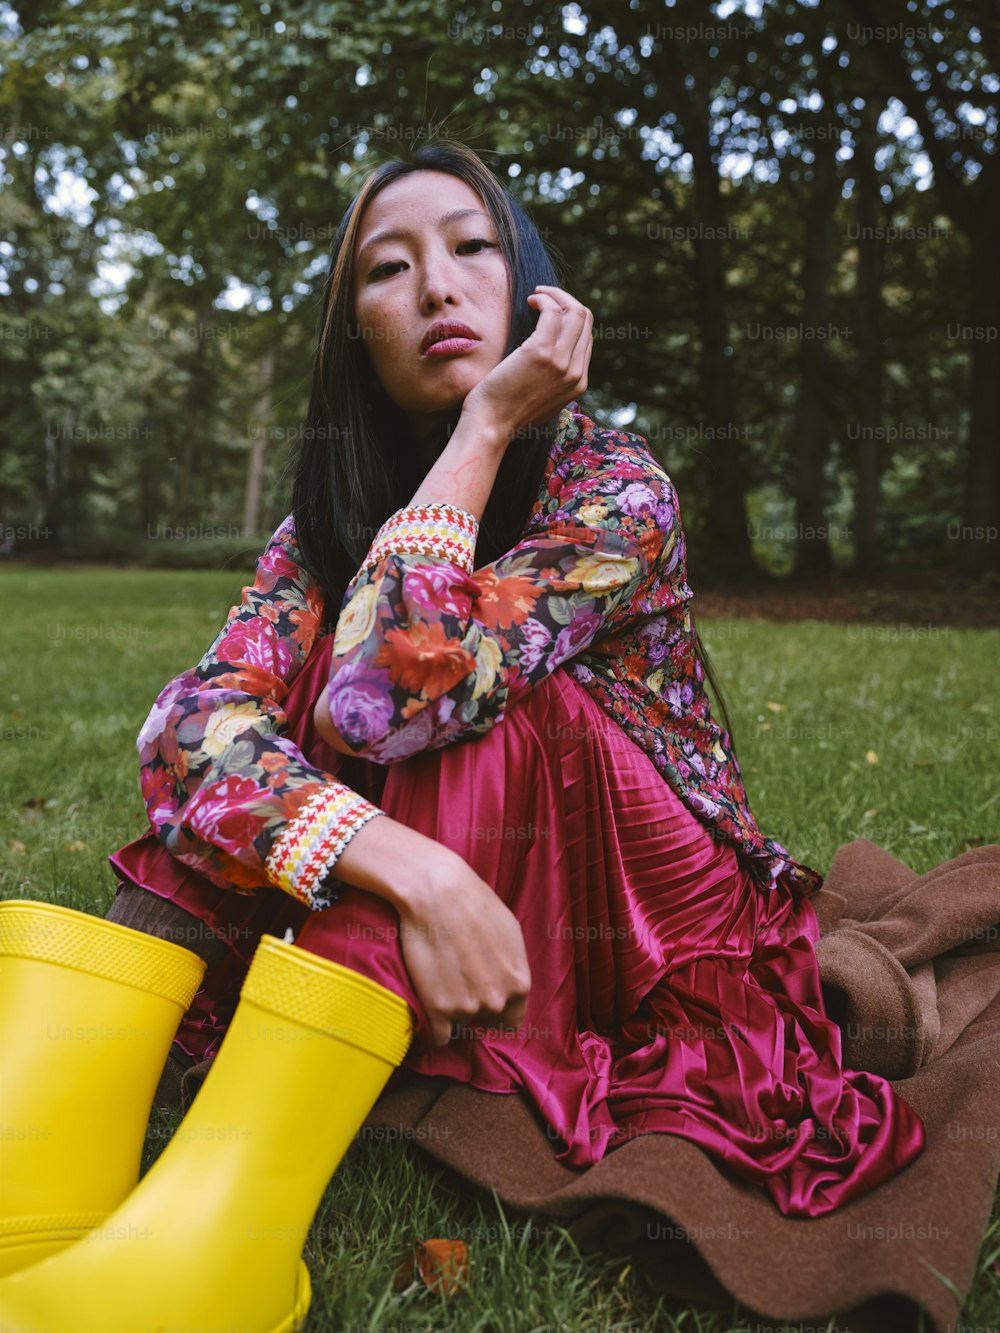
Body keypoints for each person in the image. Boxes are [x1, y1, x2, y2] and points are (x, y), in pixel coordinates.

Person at [0, 139, 927, 1331]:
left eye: (470, 248)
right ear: (357, 335)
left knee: (463, 685)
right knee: (261, 715)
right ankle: (44, 1182)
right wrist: (415, 869)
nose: (435, 286)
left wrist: (486, 426)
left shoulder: (615, 487)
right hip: (459, 885)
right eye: (387, 270)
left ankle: (220, 1233)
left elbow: (399, 699)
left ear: (536, 291)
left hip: (647, 918)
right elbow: (186, 728)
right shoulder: (322, 520)